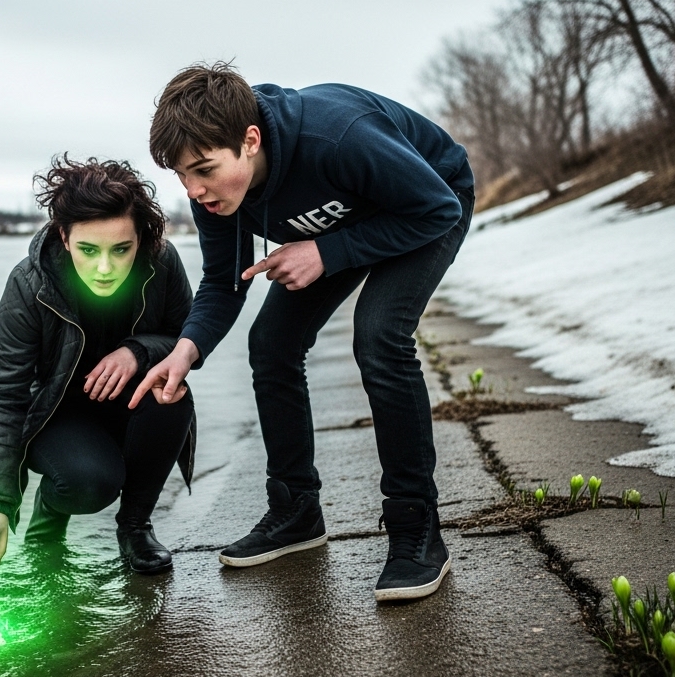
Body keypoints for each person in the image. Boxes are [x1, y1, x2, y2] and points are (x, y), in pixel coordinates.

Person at [132, 62, 474, 602]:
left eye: (203, 169)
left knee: (379, 335)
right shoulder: (216, 195)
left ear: (249, 140)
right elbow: (224, 283)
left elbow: (437, 208)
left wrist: (326, 252)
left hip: (427, 204)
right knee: (270, 343)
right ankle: (296, 511)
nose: (195, 190)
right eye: (182, 176)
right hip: (342, 225)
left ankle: (417, 528)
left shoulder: (336, 135)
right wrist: (185, 351)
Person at [0, 156, 195, 575]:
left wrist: (136, 351)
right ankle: (48, 520)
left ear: (141, 238)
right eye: (89, 250)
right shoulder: (30, 284)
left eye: (121, 249)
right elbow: (2, 394)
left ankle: (135, 528)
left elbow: (191, 341)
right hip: (57, 417)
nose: (105, 268)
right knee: (89, 483)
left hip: (134, 403)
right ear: (64, 237)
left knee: (173, 394)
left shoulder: (163, 262)